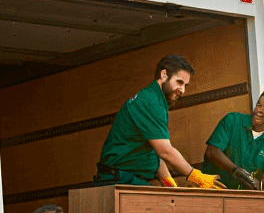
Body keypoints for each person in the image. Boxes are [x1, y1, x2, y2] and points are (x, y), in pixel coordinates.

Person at [95, 54, 224, 189]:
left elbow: (155, 152)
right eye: (179, 82)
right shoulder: (152, 102)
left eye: (186, 85)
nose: (183, 90)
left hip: (125, 178)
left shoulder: (154, 99)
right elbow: (165, 151)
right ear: (164, 75)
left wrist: (169, 184)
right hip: (119, 179)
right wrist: (196, 176)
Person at [197, 90, 264, 190]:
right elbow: (212, 151)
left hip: (238, 196)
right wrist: (235, 170)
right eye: (259, 105)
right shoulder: (232, 120)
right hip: (210, 190)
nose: (259, 110)